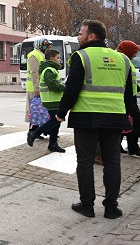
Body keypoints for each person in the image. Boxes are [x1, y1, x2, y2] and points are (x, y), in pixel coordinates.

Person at [56, 20, 134, 220]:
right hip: (115, 117)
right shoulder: (123, 59)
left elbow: (71, 89)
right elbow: (128, 94)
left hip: (87, 117)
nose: (78, 37)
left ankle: (87, 205)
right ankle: (111, 208)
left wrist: (61, 111)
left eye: (81, 33)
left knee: (85, 161)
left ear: (91, 36)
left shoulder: (81, 56)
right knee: (112, 162)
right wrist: (129, 116)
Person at [26, 49, 66, 152]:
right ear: (52, 58)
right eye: (58, 58)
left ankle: (52, 144)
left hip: (54, 100)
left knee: (56, 123)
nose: (59, 60)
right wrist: (66, 87)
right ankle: (34, 134)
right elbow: (53, 85)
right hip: (51, 100)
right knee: (55, 120)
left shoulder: (51, 69)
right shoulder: (48, 70)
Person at [116, 40, 140, 157]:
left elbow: (131, 80)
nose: (135, 55)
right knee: (131, 123)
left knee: (126, 123)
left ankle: (123, 147)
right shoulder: (122, 60)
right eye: (134, 52)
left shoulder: (126, 61)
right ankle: (132, 148)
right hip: (125, 98)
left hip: (129, 97)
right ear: (128, 51)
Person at [26, 38, 52, 131]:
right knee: (35, 109)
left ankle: (39, 130)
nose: (47, 48)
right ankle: (33, 130)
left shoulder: (41, 54)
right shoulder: (34, 55)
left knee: (40, 110)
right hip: (34, 88)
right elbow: (34, 72)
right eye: (46, 46)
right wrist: (36, 88)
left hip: (40, 86)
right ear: (40, 45)